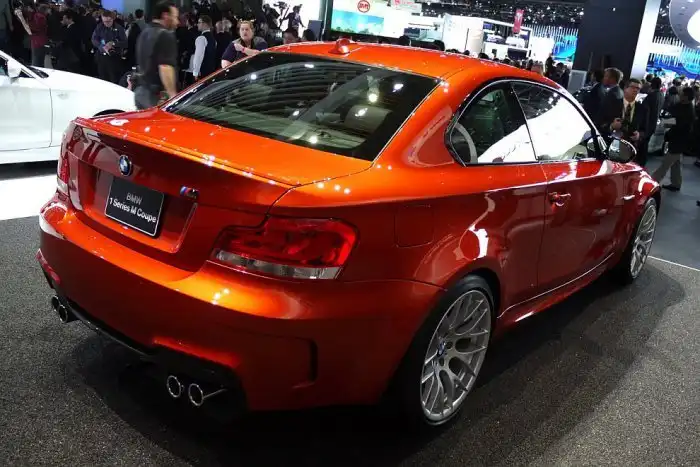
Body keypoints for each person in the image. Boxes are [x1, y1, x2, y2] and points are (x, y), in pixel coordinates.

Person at [133, 0, 179, 109]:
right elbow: (165, 67)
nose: (177, 22)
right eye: (175, 17)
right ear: (165, 15)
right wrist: (173, 95)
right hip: (156, 97)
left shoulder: (144, 32)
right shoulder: (165, 35)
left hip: (140, 92)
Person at [652, 86, 696, 192]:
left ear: (686, 96)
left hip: (679, 141)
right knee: (676, 163)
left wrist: (667, 122)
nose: (679, 94)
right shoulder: (682, 105)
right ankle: (676, 183)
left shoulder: (688, 110)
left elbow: (679, 124)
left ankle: (652, 182)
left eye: (682, 93)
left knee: (665, 164)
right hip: (676, 139)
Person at [600, 78, 648, 152]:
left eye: (638, 88)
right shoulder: (612, 105)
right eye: (633, 87)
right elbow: (600, 123)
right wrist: (611, 126)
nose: (635, 90)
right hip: (610, 145)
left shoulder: (642, 109)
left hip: (630, 148)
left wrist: (639, 135)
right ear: (625, 88)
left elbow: (645, 130)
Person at [91, 9, 127, 83]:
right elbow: (94, 39)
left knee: (114, 79)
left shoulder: (119, 28)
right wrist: (101, 46)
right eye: (104, 21)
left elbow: (125, 43)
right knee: (102, 78)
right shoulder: (99, 26)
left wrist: (114, 43)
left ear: (113, 19)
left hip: (114, 58)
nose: (106, 23)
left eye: (108, 21)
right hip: (102, 57)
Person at [638, 76, 664, 166]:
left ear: (652, 85)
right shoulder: (661, 95)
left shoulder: (651, 96)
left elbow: (645, 111)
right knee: (645, 145)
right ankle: (642, 163)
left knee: (642, 146)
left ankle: (640, 163)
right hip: (653, 123)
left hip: (647, 124)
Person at [191, 15, 216, 81]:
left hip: (202, 72)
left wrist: (195, 72)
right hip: (211, 70)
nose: (197, 24)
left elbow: (198, 56)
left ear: (204, 24)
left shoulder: (201, 38)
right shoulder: (213, 38)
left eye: (199, 22)